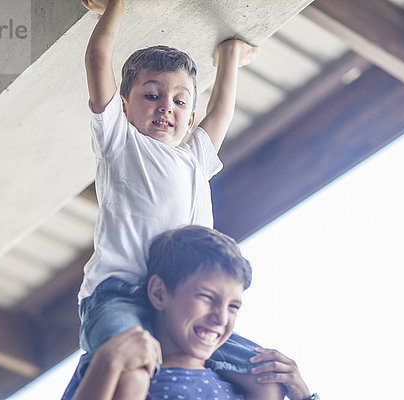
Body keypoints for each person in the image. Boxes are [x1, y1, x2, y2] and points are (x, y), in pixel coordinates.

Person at [63, 0, 263, 398]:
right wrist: (114, 7)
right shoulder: (120, 141)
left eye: (179, 101)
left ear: (190, 118)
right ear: (124, 105)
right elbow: (98, 57)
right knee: (135, 368)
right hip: (119, 292)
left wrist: (228, 57)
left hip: (177, 301)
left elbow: (220, 112)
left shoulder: (194, 158)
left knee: (262, 369)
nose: (164, 107)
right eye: (151, 95)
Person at [69, 226, 318, 400]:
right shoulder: (122, 373)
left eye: (233, 306)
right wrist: (108, 363)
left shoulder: (256, 387)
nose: (221, 318)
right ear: (158, 293)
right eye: (206, 297)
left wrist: (303, 394)